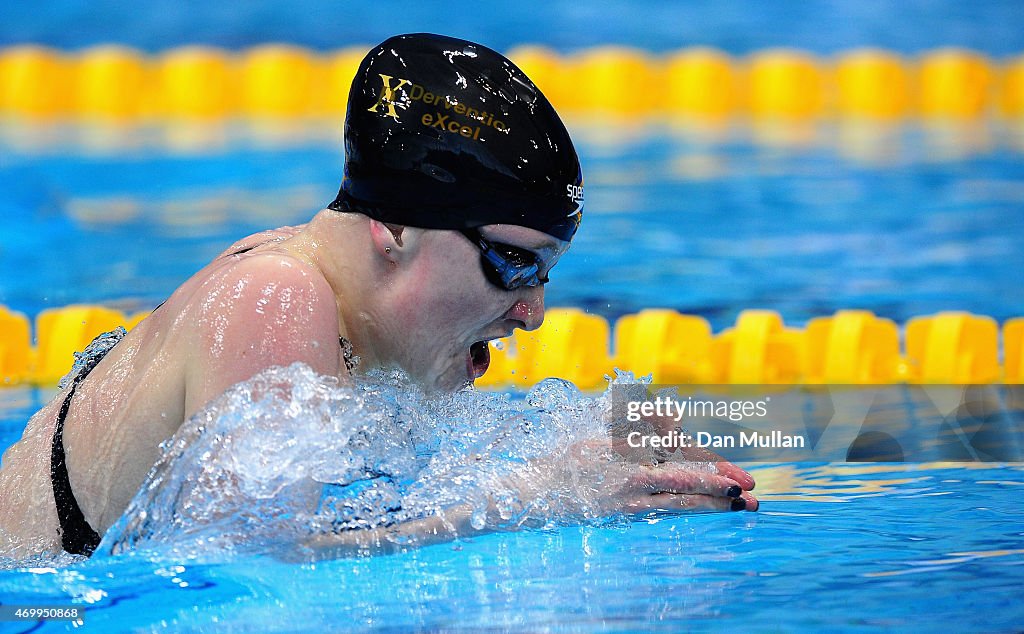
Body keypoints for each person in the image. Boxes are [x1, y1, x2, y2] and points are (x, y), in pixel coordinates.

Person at [0, 33, 757, 559]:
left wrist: (590, 457)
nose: (534, 311)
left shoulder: (344, 313)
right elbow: (238, 563)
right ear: (395, 228)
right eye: (512, 262)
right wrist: (537, 497)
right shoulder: (277, 296)